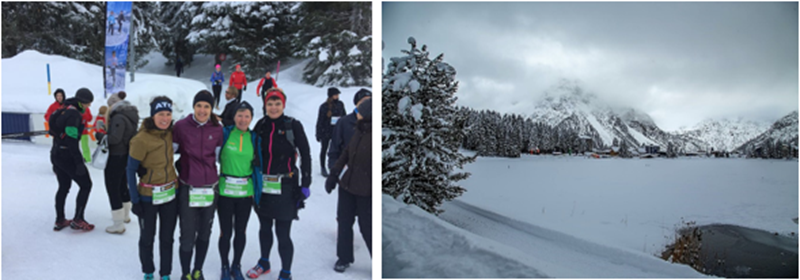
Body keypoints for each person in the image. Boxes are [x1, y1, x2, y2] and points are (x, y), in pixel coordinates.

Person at [246, 88, 311, 280]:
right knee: (264, 228)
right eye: (270, 104)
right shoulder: (261, 125)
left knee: (283, 232)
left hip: (285, 186)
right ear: (265, 105)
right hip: (263, 186)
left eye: (277, 104)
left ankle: (286, 272)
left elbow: (306, 155)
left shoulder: (293, 126)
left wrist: (306, 183)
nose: (273, 108)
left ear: (283, 105)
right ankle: (264, 262)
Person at [127, 96, 180, 280]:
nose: (165, 118)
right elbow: (130, 170)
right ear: (152, 116)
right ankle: (148, 271)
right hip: (148, 197)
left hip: (169, 196)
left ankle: (165, 273)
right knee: (147, 238)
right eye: (160, 114)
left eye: (168, 114)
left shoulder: (171, 133)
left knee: (167, 239)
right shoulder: (141, 139)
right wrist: (135, 200)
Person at [173, 90, 224, 280]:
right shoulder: (181, 126)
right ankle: (185, 273)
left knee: (204, 231)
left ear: (211, 109)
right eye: (199, 106)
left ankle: (198, 270)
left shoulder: (217, 129)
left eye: (207, 106)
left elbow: (219, 157)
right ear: (193, 106)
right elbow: (169, 152)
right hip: (188, 187)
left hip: (210, 188)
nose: (202, 110)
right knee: (187, 233)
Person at [325, 98, 372, 273]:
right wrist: (333, 174)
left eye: (359, 110)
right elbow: (345, 154)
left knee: (367, 227)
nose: (356, 113)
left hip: (366, 192)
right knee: (344, 223)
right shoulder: (358, 130)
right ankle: (344, 258)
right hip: (346, 186)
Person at [218, 101, 262, 280]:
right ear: (234, 117)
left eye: (247, 116)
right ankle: (224, 266)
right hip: (225, 190)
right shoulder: (225, 133)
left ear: (251, 118)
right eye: (240, 115)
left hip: (245, 192)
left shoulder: (254, 137)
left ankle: (236, 265)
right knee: (225, 232)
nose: (243, 120)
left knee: (241, 231)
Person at [50, 88, 95, 231]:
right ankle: (78, 219)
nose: (88, 107)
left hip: (56, 153)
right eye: (88, 104)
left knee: (63, 187)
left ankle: (60, 220)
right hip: (67, 156)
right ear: (82, 103)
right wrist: (78, 162)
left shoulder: (64, 108)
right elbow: (72, 141)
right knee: (86, 185)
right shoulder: (74, 115)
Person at [104, 99, 139, 234]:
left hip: (115, 156)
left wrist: (101, 135)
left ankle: (118, 224)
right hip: (125, 155)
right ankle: (125, 215)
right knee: (122, 185)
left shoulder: (118, 117)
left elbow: (115, 139)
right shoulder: (131, 116)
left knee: (112, 187)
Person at [328, 89, 371, 171]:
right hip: (348, 173)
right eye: (364, 101)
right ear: (357, 104)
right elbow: (334, 150)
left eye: (370, 101)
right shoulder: (344, 122)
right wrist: (335, 170)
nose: (367, 104)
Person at [315, 87, 346, 177]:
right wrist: (318, 133)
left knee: (338, 150)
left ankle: (336, 166)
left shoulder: (340, 104)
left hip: (337, 131)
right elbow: (320, 120)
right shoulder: (324, 107)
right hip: (326, 131)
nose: (337, 96)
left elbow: (344, 117)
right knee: (324, 149)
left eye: (338, 95)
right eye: (335, 95)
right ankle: (322, 167)